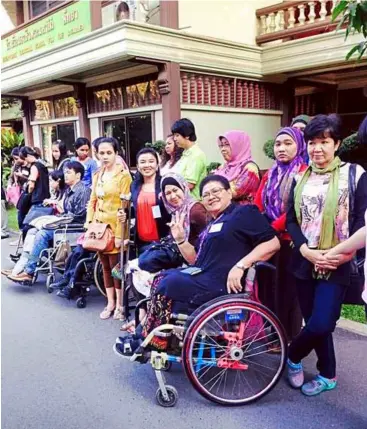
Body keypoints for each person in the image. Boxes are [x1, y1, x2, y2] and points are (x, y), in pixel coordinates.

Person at [114, 174, 280, 356]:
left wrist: (241, 266)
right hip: (204, 275)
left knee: (168, 283)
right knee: (163, 277)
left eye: (216, 191)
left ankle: (153, 341)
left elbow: (272, 243)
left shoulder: (243, 213)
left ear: (229, 193)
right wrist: (180, 240)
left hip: (222, 283)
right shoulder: (212, 223)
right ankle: (147, 335)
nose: (211, 196)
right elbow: (194, 260)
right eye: (206, 194)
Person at [285, 114, 367, 396]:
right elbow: (291, 222)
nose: (317, 148)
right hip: (304, 260)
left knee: (322, 322)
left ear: (337, 143)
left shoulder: (354, 175)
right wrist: (306, 250)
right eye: (312, 142)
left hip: (338, 260)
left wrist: (345, 254)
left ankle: (292, 355)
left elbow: (361, 221)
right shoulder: (298, 178)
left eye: (324, 142)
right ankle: (327, 374)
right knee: (316, 324)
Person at [255, 127, 307, 341]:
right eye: (278, 144)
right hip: (269, 238)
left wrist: (274, 227)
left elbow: (295, 209)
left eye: (288, 143)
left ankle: (288, 337)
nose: (282, 148)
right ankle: (272, 331)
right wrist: (259, 224)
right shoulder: (271, 173)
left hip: (289, 240)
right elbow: (259, 201)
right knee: (269, 288)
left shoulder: (304, 172)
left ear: (299, 145)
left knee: (288, 292)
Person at [8, 161, 92, 283]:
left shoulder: (83, 191)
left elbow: (78, 216)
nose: (66, 175)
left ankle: (29, 272)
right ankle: (19, 268)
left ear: (78, 175)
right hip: (65, 223)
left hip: (74, 228)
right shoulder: (69, 191)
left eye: (69, 172)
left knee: (42, 233)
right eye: (65, 172)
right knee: (32, 230)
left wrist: (59, 220)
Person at [85, 137, 132, 320]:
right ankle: (110, 302)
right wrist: (89, 224)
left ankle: (121, 305)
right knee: (105, 267)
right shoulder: (98, 174)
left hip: (116, 228)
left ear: (116, 153)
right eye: (101, 153)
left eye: (108, 153)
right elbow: (92, 201)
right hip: (99, 229)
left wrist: (121, 235)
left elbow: (125, 207)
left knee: (116, 268)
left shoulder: (123, 176)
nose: (105, 156)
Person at [2, 170, 67, 278]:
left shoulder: (66, 193)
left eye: (51, 181)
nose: (49, 183)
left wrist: (54, 203)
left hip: (61, 224)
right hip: (55, 222)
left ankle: (28, 270)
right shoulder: (58, 193)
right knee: (31, 231)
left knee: (39, 235)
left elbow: (65, 212)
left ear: (58, 181)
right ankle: (19, 268)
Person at [130, 148, 170, 255]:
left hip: (162, 239)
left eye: (151, 161)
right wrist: (124, 213)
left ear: (157, 165)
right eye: (143, 162)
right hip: (141, 240)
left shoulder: (164, 184)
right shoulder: (134, 185)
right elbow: (137, 208)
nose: (147, 165)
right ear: (138, 166)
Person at [215, 130, 260, 205]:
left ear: (239, 145)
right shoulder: (224, 167)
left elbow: (234, 192)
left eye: (227, 145)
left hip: (242, 212)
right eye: (221, 145)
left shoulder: (250, 169)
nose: (223, 149)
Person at [171, 118, 207, 200]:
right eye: (174, 136)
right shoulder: (186, 153)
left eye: (177, 135)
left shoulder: (196, 155)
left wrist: (169, 191)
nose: (174, 139)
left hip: (193, 203)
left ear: (187, 135)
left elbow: (190, 184)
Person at [18, 146, 50, 229]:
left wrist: (28, 194)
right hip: (45, 196)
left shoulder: (34, 166)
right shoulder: (43, 164)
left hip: (37, 198)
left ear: (28, 156)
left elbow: (32, 184)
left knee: (29, 224)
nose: (25, 161)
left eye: (24, 158)